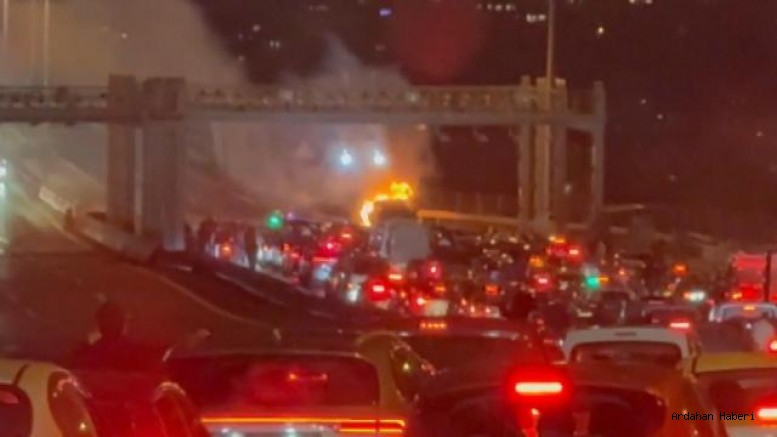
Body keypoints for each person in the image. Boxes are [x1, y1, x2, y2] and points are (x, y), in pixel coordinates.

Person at [69, 301, 163, 373]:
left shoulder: (139, 354)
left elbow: (153, 376)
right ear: (99, 321)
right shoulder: (85, 354)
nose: (112, 322)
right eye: (107, 317)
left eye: (116, 317)